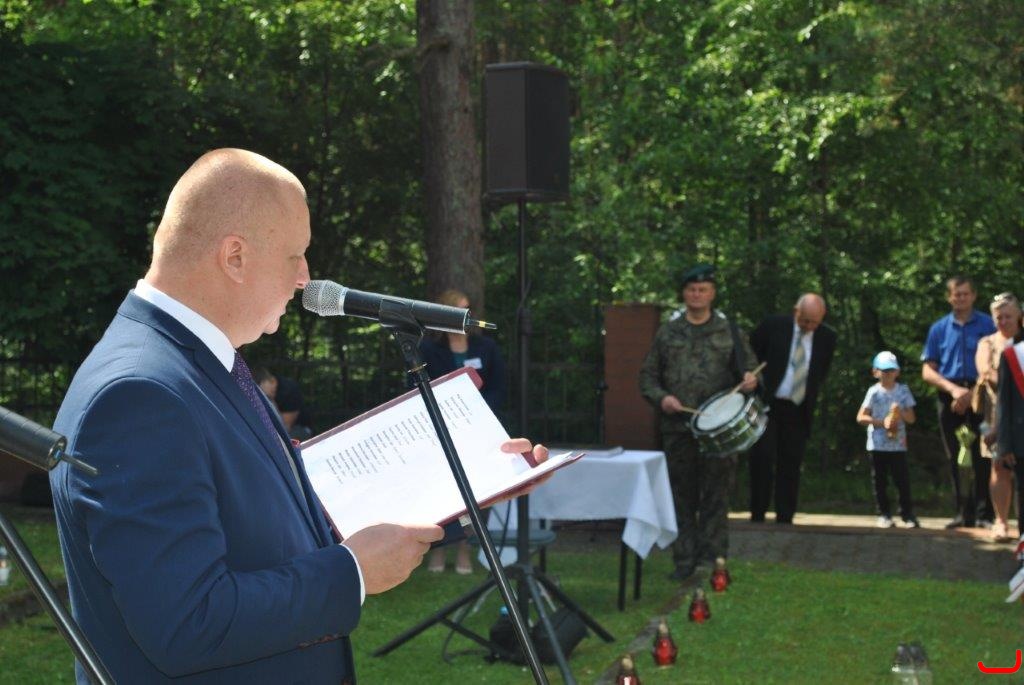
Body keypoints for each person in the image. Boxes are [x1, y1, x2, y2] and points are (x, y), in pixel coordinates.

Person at [48, 149, 548, 684]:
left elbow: (288, 524)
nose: (306, 278)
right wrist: (352, 572)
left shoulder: (204, 364)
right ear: (234, 257)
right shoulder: (139, 394)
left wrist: (464, 489)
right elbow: (187, 622)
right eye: (296, 256)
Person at [639, 264, 758, 580]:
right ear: (684, 293)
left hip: (719, 431)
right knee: (681, 497)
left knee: (716, 497)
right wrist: (663, 398)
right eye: (691, 289)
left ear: (712, 294)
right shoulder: (668, 332)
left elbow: (749, 373)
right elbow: (648, 377)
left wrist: (750, 381)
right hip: (678, 429)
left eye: (703, 290)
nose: (697, 295)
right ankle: (684, 561)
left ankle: (712, 560)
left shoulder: (730, 331)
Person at [418, 288, 507, 574]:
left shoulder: (486, 347)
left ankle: (465, 548)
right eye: (458, 310)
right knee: (443, 490)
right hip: (441, 429)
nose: (465, 315)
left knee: (477, 492)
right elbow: (419, 388)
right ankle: (438, 548)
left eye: (467, 309)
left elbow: (499, 387)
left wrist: (475, 411)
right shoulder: (428, 349)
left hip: (479, 430)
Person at [747, 293, 837, 524]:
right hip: (767, 404)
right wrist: (750, 379)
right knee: (762, 457)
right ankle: (757, 513)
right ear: (796, 311)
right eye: (805, 320)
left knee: (791, 460)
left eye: (814, 322)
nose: (809, 326)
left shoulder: (827, 337)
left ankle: (785, 516)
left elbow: (821, 372)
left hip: (798, 407)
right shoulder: (773, 326)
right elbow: (749, 355)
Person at [921, 275, 996, 528]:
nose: (961, 298)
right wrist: (954, 390)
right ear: (949, 297)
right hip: (950, 396)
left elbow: (996, 363)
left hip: (982, 394)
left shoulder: (988, 324)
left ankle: (986, 514)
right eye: (956, 294)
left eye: (965, 294)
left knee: (984, 453)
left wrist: (972, 393)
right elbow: (927, 370)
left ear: (973, 296)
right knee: (956, 455)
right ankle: (963, 513)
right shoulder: (938, 328)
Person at [976, 293, 1023, 541]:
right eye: (998, 317)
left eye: (1008, 316)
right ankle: (1001, 521)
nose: (1003, 321)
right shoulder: (988, 343)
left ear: (1019, 316)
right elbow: (985, 370)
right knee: (998, 466)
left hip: (1020, 414)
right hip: (993, 414)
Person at [856, 351, 919, 528]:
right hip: (877, 445)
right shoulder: (873, 392)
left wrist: (900, 412)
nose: (888, 374)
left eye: (891, 370)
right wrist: (881, 422)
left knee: (902, 481)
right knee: (880, 481)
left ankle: (907, 515)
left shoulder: (903, 391)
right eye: (884, 370)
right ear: (875, 372)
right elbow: (861, 417)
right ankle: (884, 514)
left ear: (897, 372)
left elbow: (911, 419)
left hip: (898, 445)